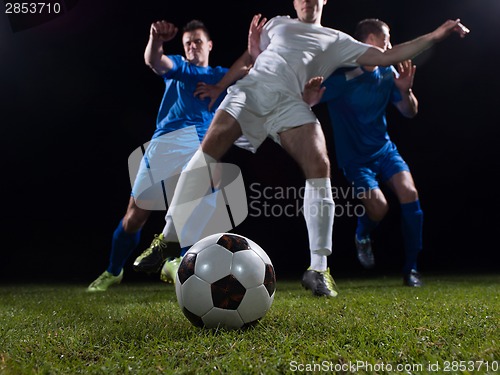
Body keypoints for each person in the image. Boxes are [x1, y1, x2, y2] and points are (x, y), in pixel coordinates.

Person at [134, 0, 469, 297]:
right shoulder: (278, 24)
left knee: (319, 163)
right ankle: (167, 240)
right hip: (251, 92)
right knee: (209, 150)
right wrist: (224, 84)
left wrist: (436, 35)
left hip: (291, 103)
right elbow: (251, 56)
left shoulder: (337, 40)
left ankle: (319, 268)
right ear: (295, 3)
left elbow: (389, 55)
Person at [87, 19, 254, 292]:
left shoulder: (221, 76)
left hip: (200, 144)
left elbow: (250, 65)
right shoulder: (180, 67)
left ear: (209, 45)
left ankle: (180, 264)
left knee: (202, 200)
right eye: (188, 43)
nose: (192, 47)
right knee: (134, 218)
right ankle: (113, 271)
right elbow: (155, 61)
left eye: (197, 41)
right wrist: (156, 39)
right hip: (164, 144)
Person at [303, 18, 427, 286]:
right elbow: (306, 101)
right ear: (369, 42)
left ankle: (411, 270)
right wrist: (308, 101)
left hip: (384, 151)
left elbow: (410, 112)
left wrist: (406, 92)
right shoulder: (341, 76)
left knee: (410, 194)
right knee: (379, 208)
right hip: (356, 161)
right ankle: (362, 235)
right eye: (386, 40)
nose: (390, 46)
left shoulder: (388, 73)